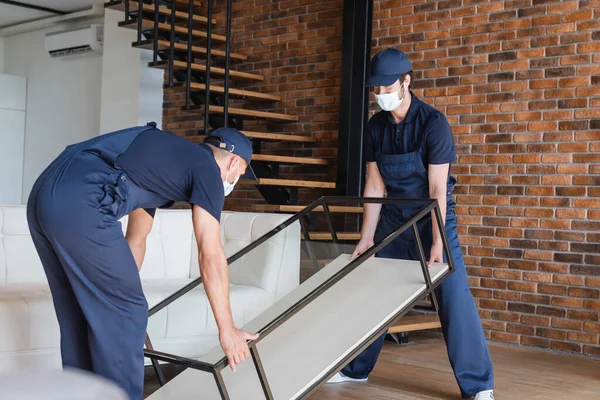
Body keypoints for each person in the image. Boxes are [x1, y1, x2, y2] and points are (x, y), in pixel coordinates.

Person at [26, 124, 259, 400]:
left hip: (45, 195)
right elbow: (210, 253)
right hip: (80, 202)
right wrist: (227, 329)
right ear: (234, 162)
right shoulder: (207, 170)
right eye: (240, 175)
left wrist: (115, 296)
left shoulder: (165, 161)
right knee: (128, 312)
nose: (234, 182)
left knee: (82, 310)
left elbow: (136, 239)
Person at [327, 48, 495, 400]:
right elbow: (374, 185)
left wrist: (437, 241)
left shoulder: (434, 125)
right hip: (393, 219)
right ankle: (356, 369)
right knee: (375, 290)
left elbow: (437, 189)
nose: (381, 95)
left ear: (407, 81)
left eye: (388, 88)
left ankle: (479, 386)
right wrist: (368, 238)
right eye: (376, 90)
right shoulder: (375, 127)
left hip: (434, 219)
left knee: (453, 298)